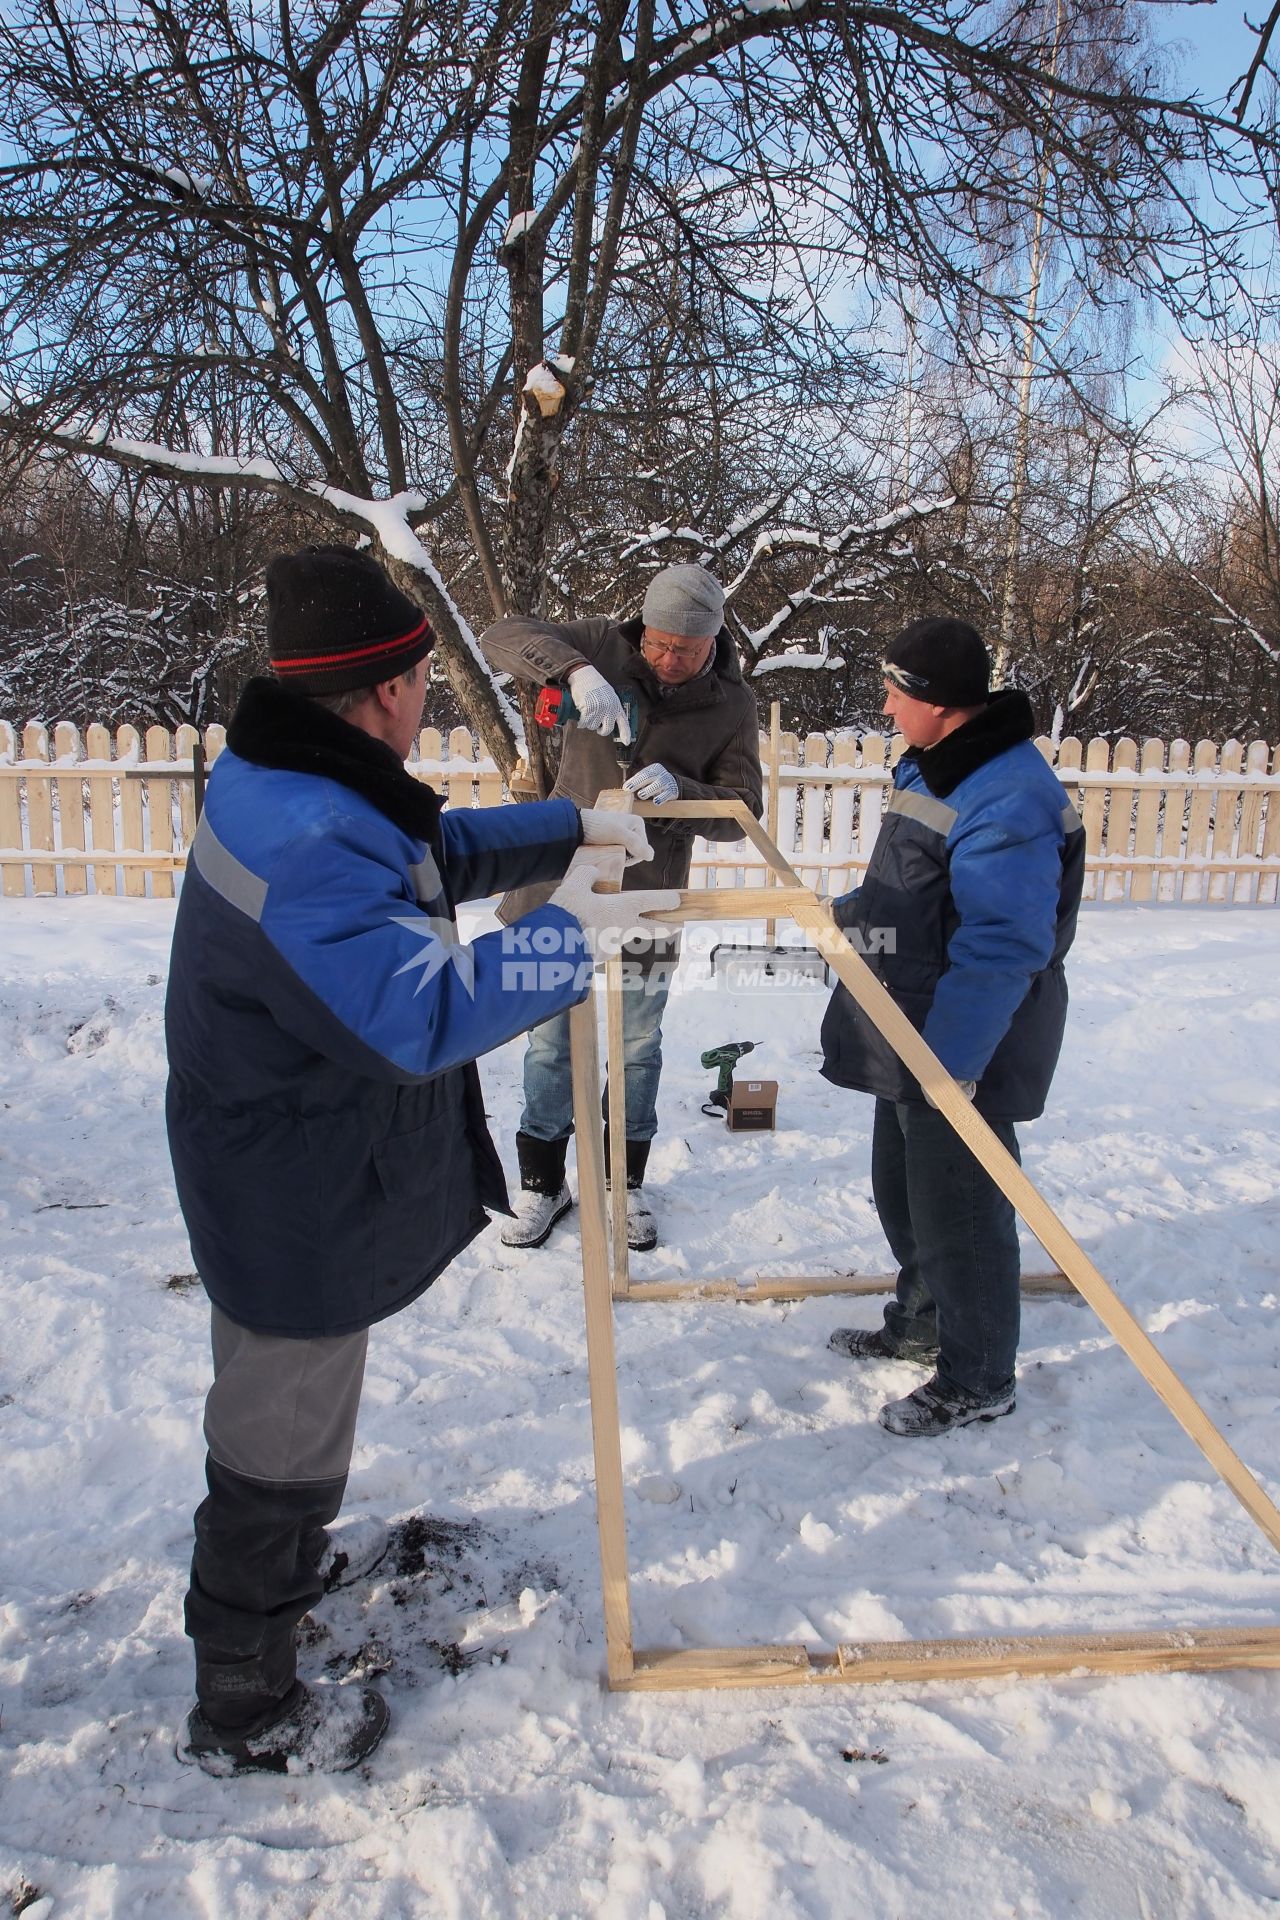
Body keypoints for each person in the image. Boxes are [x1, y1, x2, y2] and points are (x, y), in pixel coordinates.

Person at [166, 544, 674, 1775]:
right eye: (419, 679)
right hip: (290, 1185)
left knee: (295, 1410)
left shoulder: (302, 783)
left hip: (278, 1154)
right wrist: (573, 932)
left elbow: (427, 854)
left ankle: (286, 1582)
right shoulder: (312, 837)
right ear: (385, 691)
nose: (428, 698)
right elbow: (419, 1016)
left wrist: (572, 826)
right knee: (274, 1437)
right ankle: (243, 1698)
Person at [820, 617, 1085, 1438]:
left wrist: (953, 1064)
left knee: (962, 1207)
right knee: (906, 1189)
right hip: (911, 1017)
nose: (888, 704)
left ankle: (978, 1376)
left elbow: (1004, 943)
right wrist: (843, 922)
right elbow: (910, 890)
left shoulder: (1009, 797)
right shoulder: (934, 766)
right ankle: (923, 1322)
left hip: (964, 1036)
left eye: (898, 691)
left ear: (938, 703)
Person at [480, 564, 763, 1252]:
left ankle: (622, 1183)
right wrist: (575, 669)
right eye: (659, 645)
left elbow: (743, 812)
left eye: (685, 650)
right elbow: (500, 636)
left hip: (649, 895)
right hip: (560, 886)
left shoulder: (732, 704)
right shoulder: (603, 644)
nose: (667, 660)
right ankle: (544, 1182)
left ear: (714, 639)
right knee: (550, 1039)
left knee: (638, 1044)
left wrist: (686, 790)